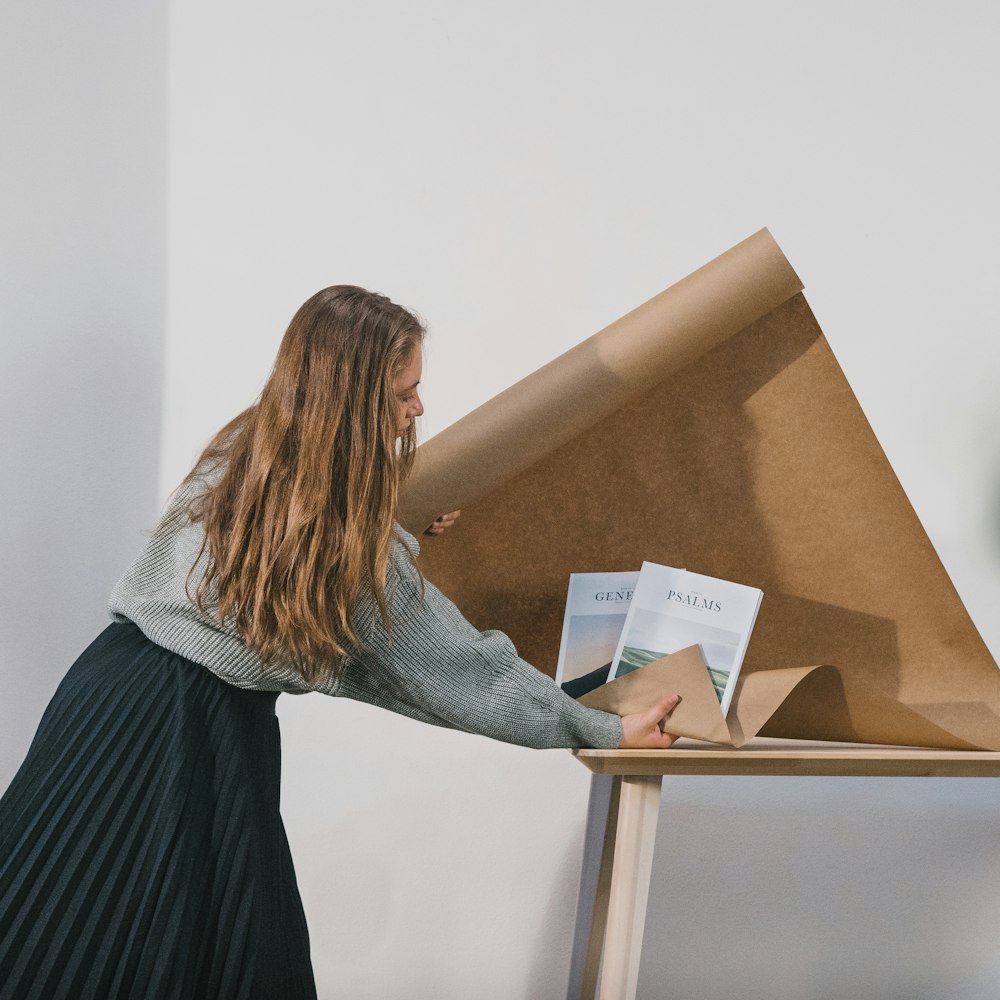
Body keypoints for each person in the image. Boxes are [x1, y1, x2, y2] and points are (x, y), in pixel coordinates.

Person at [0, 285, 679, 999]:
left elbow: (269, 548)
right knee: (220, 950)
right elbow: (460, 670)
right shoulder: (345, 541)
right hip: (188, 729)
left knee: (61, 920)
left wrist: (393, 505)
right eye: (403, 394)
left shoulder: (249, 445)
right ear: (354, 399)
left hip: (106, 691)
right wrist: (602, 725)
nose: (418, 409)